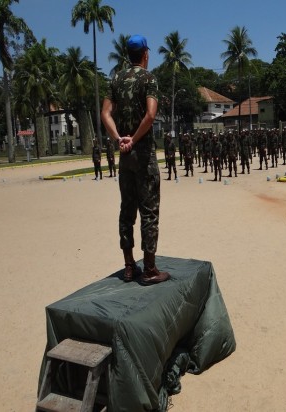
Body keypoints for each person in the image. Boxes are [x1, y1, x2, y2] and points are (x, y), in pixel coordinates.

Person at [101, 34, 170, 285]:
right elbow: (151, 115)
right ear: (145, 54)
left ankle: (129, 267)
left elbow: (105, 113)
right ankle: (149, 269)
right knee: (149, 211)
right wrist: (135, 139)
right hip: (143, 155)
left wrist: (120, 138)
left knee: (126, 210)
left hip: (125, 155)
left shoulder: (115, 79)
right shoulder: (149, 79)